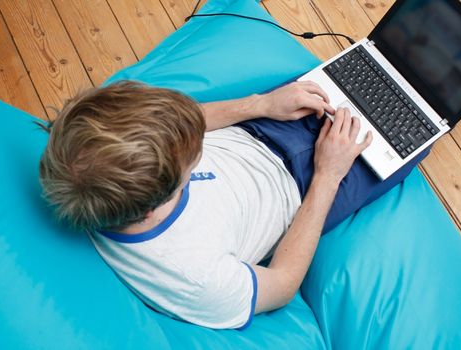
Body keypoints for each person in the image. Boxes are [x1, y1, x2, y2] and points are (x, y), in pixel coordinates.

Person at [39, 79, 428, 329]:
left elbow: (182, 123)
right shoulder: (195, 280)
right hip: (307, 189)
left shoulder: (78, 148)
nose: (199, 149)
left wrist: (261, 104)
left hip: (260, 126)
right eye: (191, 160)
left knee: (370, 74)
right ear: (149, 208)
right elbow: (281, 285)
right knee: (419, 120)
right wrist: (329, 175)